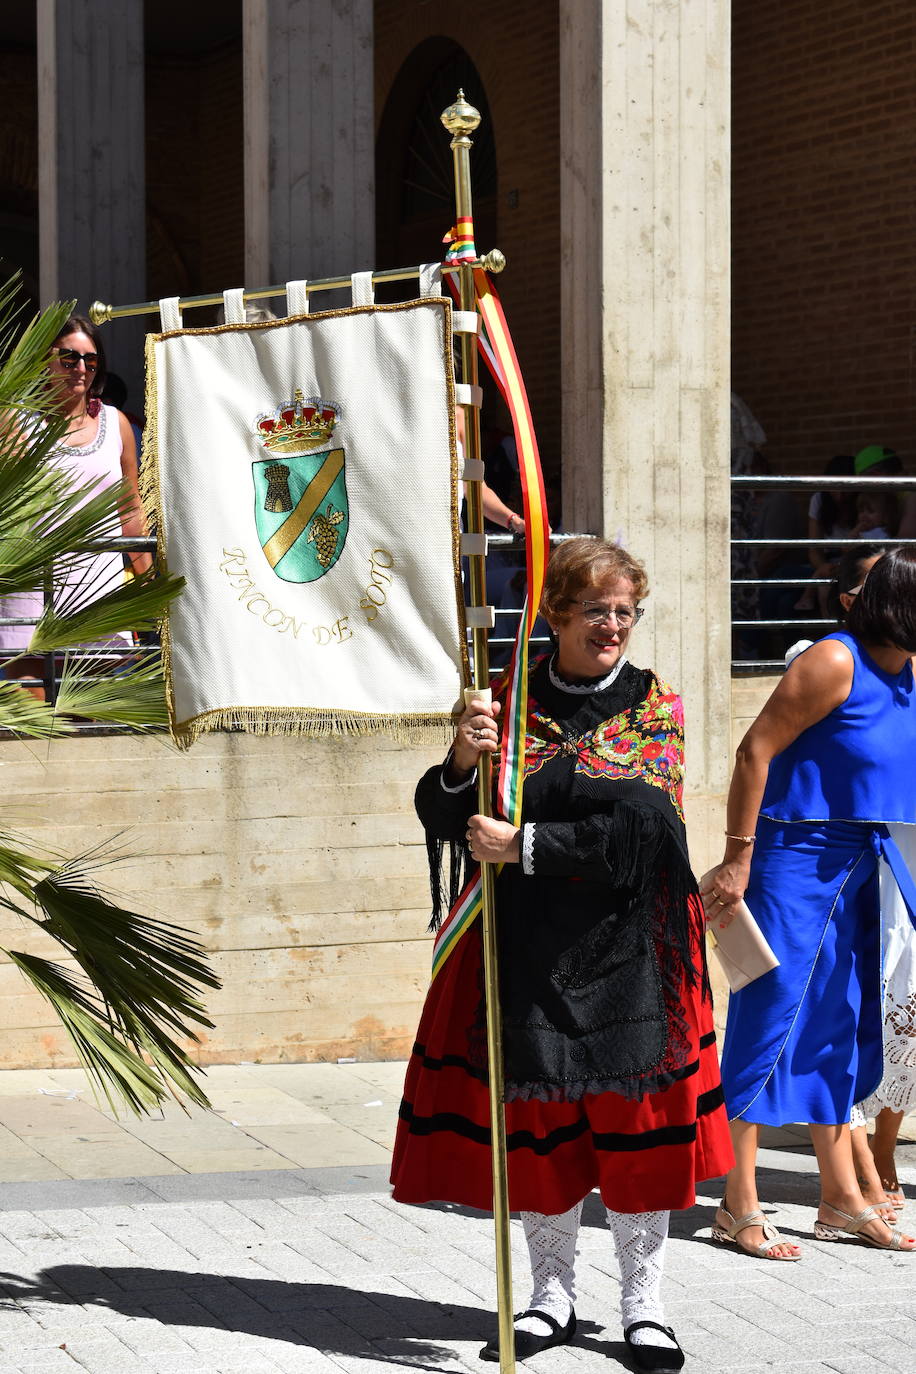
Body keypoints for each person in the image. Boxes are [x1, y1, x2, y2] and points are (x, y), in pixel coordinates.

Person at [391, 538, 733, 1371]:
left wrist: (526, 845)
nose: (614, 626)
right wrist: (463, 759)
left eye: (626, 611)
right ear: (555, 617)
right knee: (540, 1129)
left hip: (632, 953)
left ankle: (643, 1306)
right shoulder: (504, 704)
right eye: (597, 611)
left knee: (637, 1136)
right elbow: (446, 817)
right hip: (527, 951)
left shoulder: (656, 707)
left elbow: (646, 833)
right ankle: (550, 1295)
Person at [705, 547, 916, 1258]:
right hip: (795, 858)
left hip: (868, 857)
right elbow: (753, 752)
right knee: (769, 1020)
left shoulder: (909, 670)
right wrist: (738, 858)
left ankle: (838, 1200)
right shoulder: (834, 661)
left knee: (843, 1024)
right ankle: (736, 1204)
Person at [0, 315, 151, 696]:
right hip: (32, 601)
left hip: (97, 594)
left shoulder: (116, 424)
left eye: (91, 360)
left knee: (93, 734)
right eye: (68, 358)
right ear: (43, 361)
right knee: (28, 737)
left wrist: (148, 586)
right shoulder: (14, 422)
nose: (81, 368)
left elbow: (130, 510)